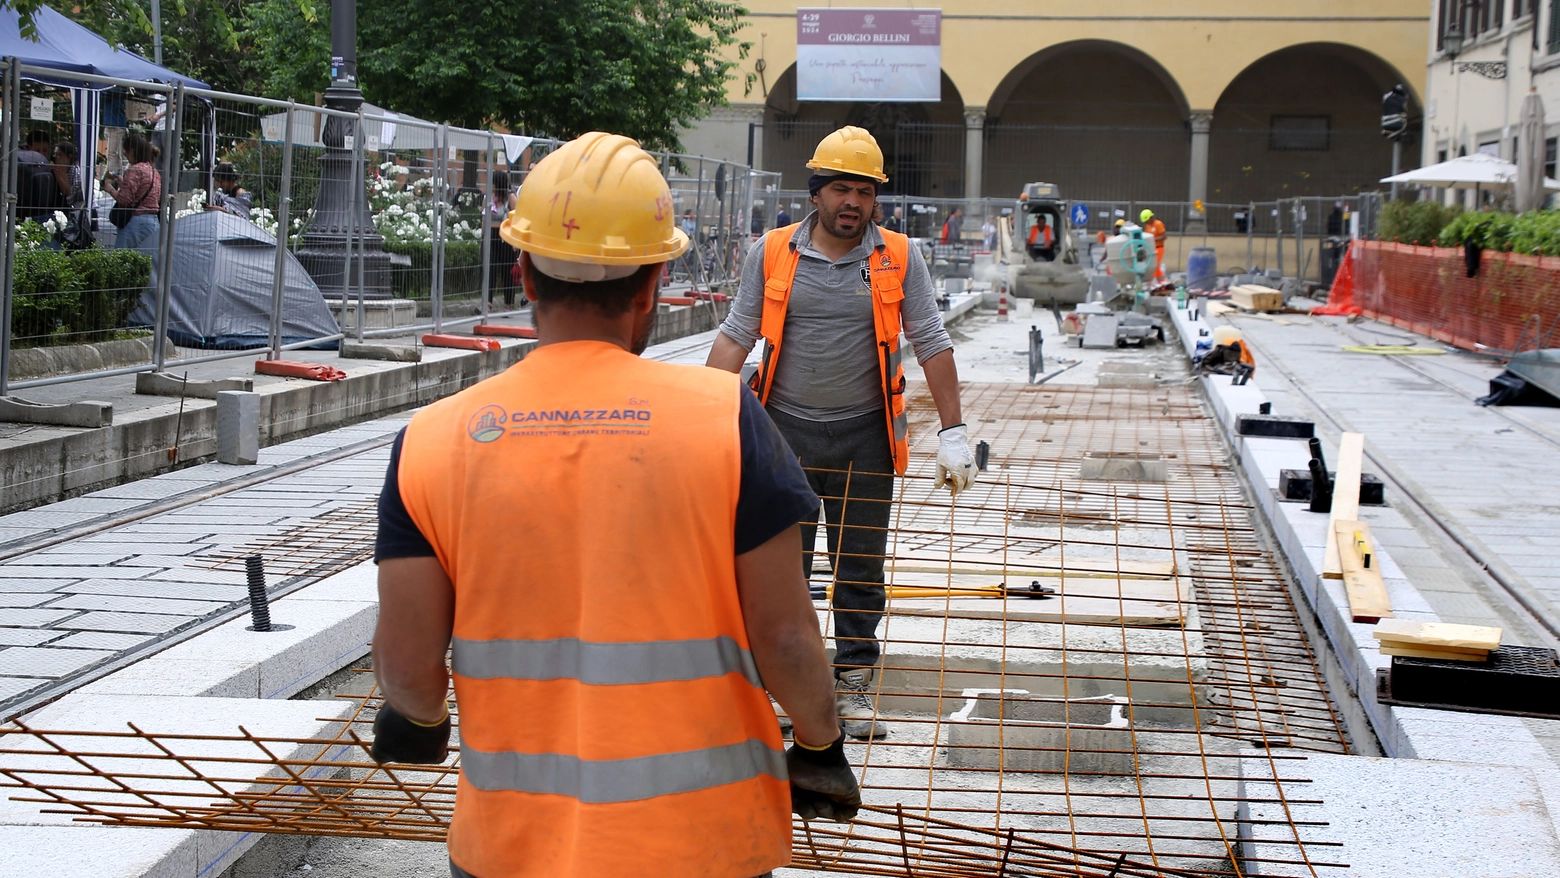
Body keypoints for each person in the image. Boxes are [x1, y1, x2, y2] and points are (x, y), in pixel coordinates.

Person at [370, 131, 860, 878]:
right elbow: (786, 637)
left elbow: (408, 668)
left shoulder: (434, 439)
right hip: (704, 846)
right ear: (651, 286)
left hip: (510, 849)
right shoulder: (725, 418)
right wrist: (821, 745)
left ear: (524, 276)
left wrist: (419, 721)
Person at [705, 125, 977, 740]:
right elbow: (736, 334)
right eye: (839, 188)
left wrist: (954, 431)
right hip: (783, 439)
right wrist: (696, 418)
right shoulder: (773, 252)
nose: (851, 201)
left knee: (859, 571)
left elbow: (932, 339)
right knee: (783, 576)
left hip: (866, 440)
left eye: (863, 190)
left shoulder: (899, 257)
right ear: (815, 193)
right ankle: (784, 694)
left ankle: (851, 689)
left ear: (876, 198)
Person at [103, 130, 161, 257]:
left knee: (120, 262)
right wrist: (124, 183)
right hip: (153, 223)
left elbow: (125, 200)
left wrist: (109, 189)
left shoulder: (134, 170)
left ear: (132, 151)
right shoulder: (154, 171)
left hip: (135, 223)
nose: (124, 154)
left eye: (126, 151)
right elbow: (142, 192)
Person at [486, 170, 519, 307]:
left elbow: (516, 218)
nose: (491, 185)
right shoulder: (488, 197)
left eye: (493, 182)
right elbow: (484, 217)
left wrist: (515, 240)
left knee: (507, 270)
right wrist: (484, 236)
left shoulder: (510, 198)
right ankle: (488, 302)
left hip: (505, 235)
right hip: (492, 234)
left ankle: (508, 303)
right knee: (490, 269)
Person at [1140, 208, 1167, 280]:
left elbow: (1164, 236)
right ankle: (1162, 282)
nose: (1146, 222)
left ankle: (1153, 282)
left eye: (1147, 220)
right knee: (1153, 267)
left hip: (1159, 248)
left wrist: (1152, 239)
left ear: (1150, 218)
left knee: (1154, 266)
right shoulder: (1148, 226)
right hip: (1151, 249)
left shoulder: (1158, 224)